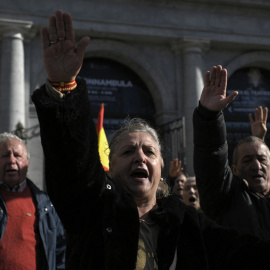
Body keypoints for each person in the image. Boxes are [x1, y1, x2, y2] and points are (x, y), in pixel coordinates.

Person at [32, 10, 270, 270]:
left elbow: (246, 254)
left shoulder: (186, 223)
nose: (140, 157)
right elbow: (72, 165)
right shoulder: (93, 213)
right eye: (128, 152)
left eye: (149, 151)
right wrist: (64, 87)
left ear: (160, 166)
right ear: (110, 167)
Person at [193, 65, 270, 240]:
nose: (256, 165)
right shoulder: (226, 200)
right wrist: (209, 116)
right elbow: (211, 154)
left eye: (262, 159)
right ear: (234, 170)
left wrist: (259, 143)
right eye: (247, 160)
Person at [0, 132, 66, 269]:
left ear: (27, 163)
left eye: (17, 155)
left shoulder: (46, 206)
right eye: (5, 155)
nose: (12, 160)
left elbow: (60, 252)